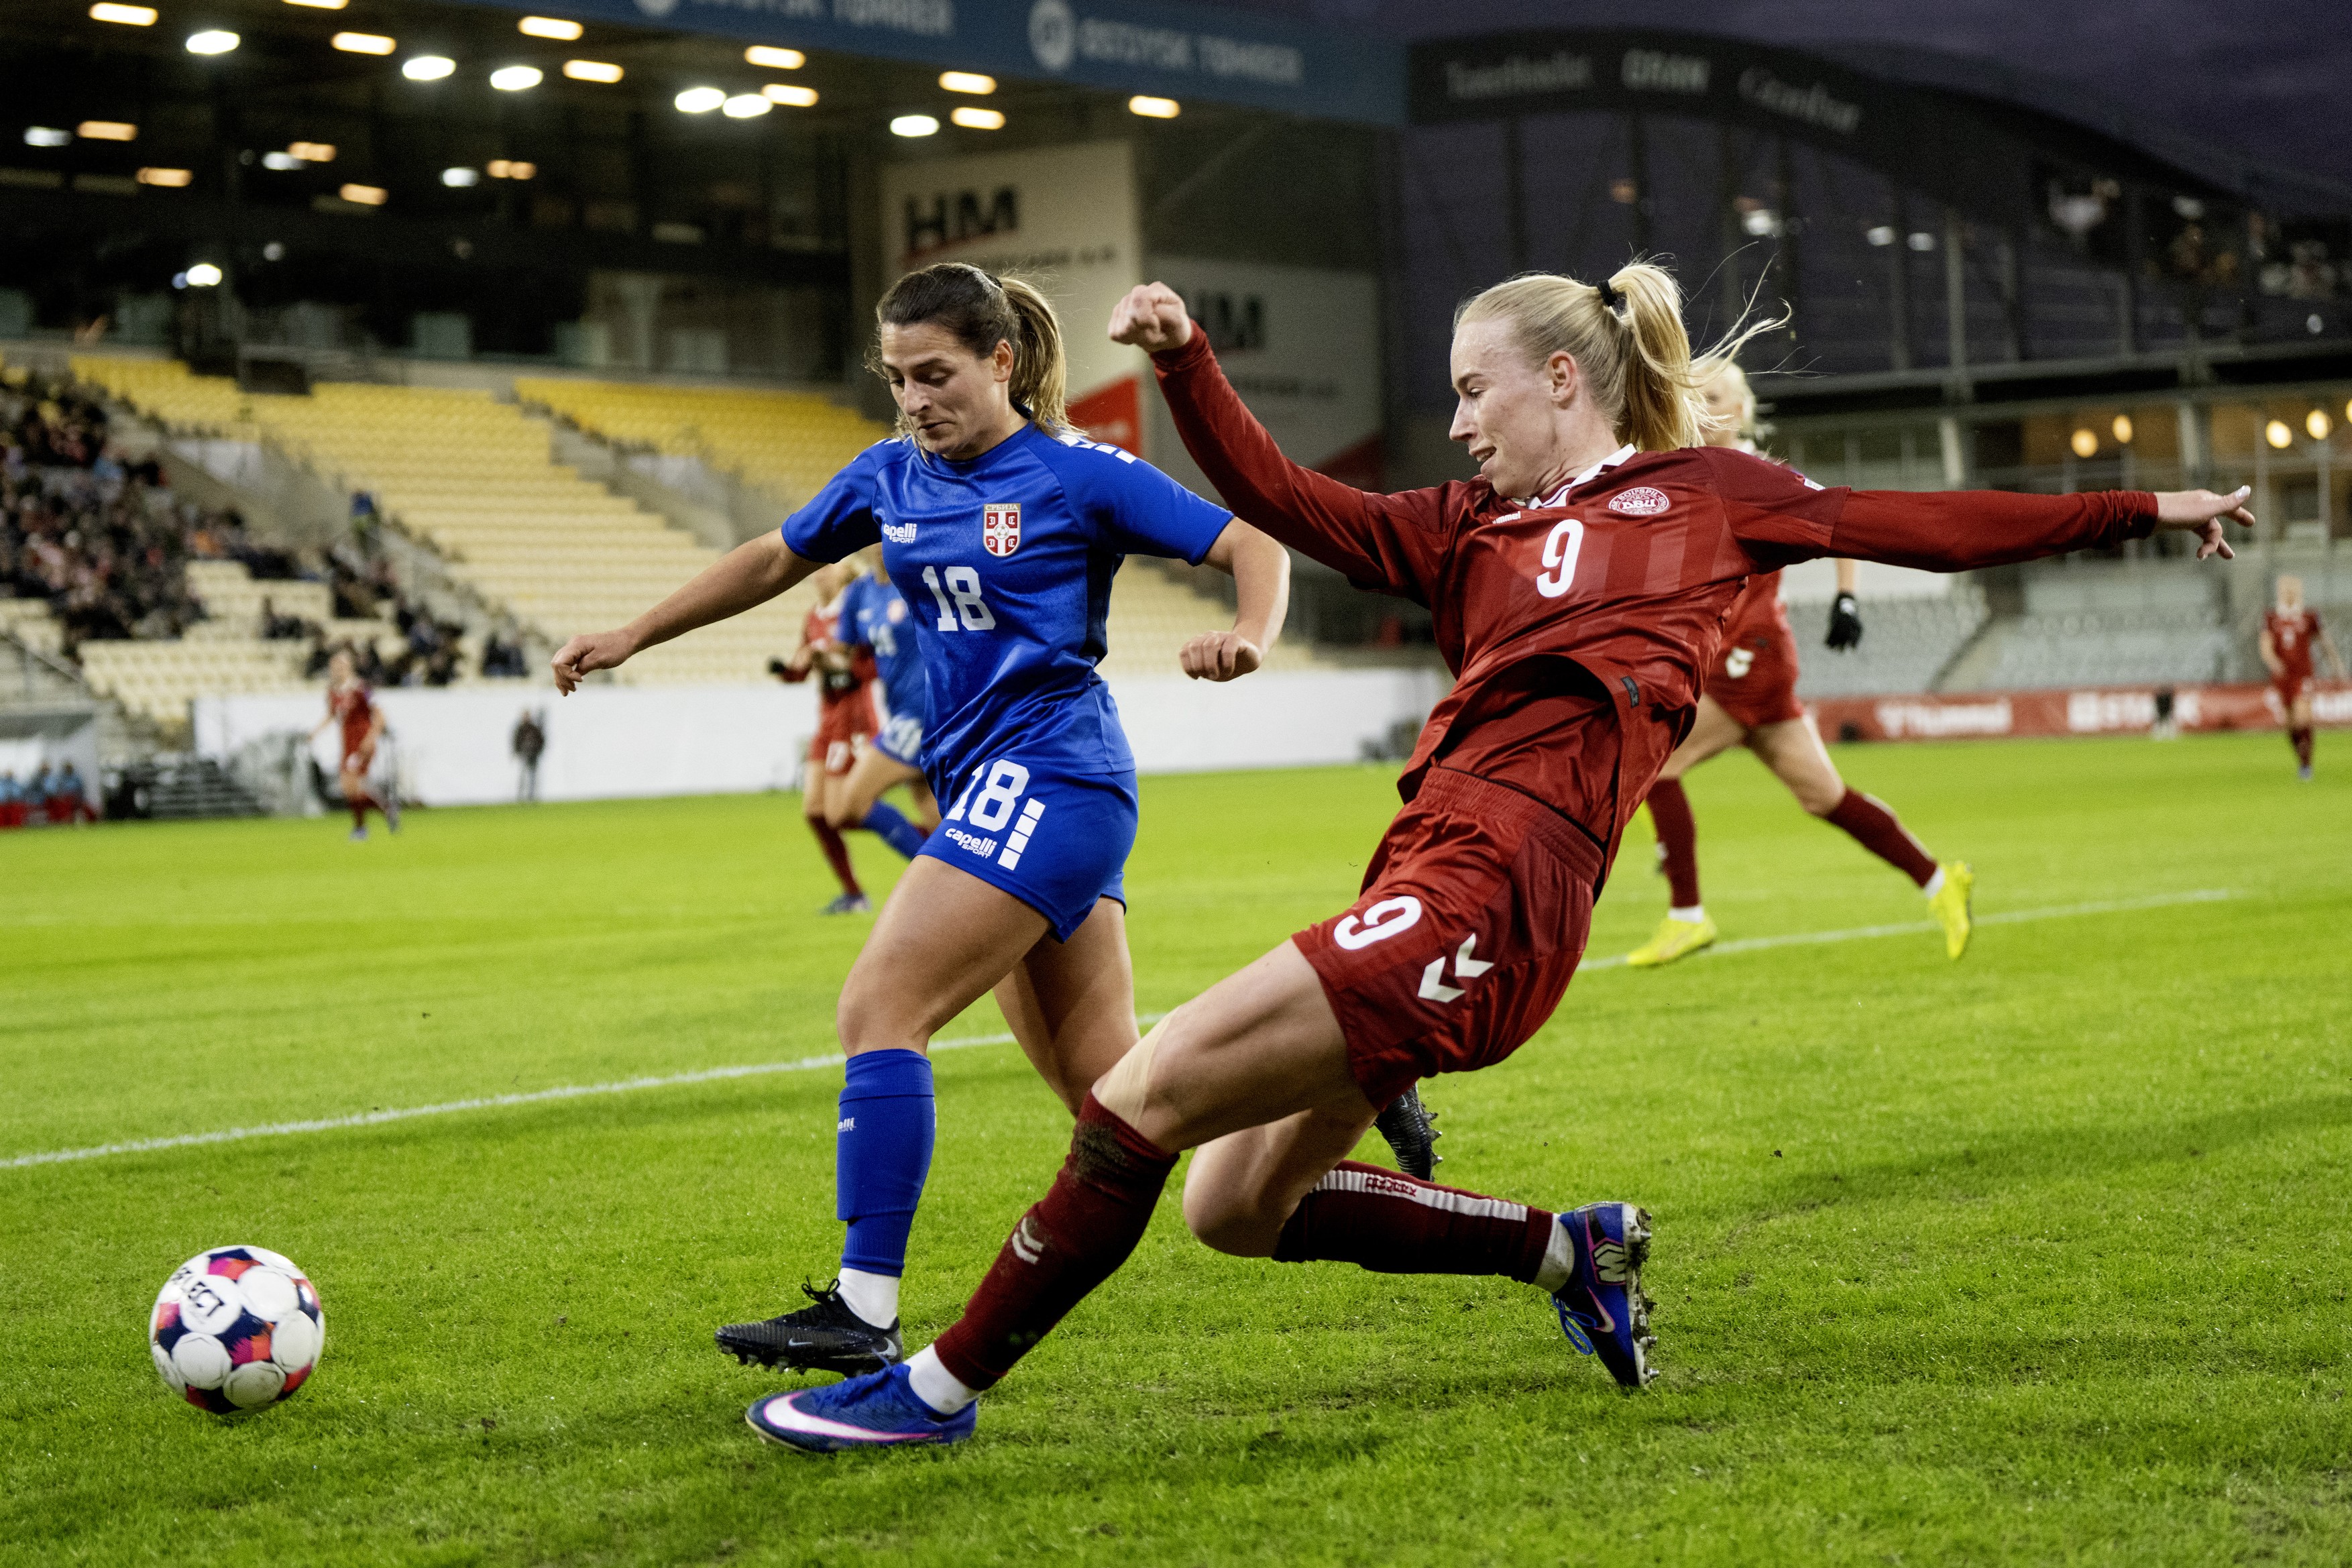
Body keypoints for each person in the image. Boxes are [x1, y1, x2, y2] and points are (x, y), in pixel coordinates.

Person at [736, 266, 2250, 1453]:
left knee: (1131, 1098)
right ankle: (1566, 1251)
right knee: (1228, 1207)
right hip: (1425, 868)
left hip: (1498, 892)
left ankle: (926, 1384)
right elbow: (1286, 504)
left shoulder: (1713, 499)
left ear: (1558, 380)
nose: (1456, 421)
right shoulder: (1468, 528)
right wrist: (1187, 361)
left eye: (1472, 391)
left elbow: (1927, 521)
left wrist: (2147, 502)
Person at [549, 260, 1307, 1385]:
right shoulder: (889, 476)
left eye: (936, 375)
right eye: (898, 379)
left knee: (879, 1001)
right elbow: (774, 555)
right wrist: (631, 634)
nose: (914, 401)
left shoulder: (1072, 473)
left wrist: (1246, 634)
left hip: (1054, 776)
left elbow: (1254, 542)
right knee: (1112, 1093)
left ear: (1001, 362)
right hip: (994, 792)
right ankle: (1335, 1083)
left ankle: (863, 1306)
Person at [1626, 361, 1971, 968]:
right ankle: (1940, 883)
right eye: (1696, 397)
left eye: (1716, 397)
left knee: (1658, 765)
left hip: (1749, 657)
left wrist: (1846, 598)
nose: (1705, 407)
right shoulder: (1686, 476)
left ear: (1740, 410)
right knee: (1825, 796)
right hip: (1738, 659)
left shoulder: (1760, 476)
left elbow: (1839, 520)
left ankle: (1687, 915)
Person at [773, 561, 885, 914]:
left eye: (828, 568)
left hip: (854, 721)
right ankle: (854, 894)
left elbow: (864, 667)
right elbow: (802, 670)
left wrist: (832, 658)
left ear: (841, 574)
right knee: (815, 813)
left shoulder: (854, 608)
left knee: (844, 813)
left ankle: (928, 845)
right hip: (827, 722)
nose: (820, 573)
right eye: (816, 569)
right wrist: (789, 670)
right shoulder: (813, 617)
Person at [826, 545, 940, 860]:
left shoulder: (918, 582)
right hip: (898, 708)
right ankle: (967, 893)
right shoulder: (859, 593)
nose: (877, 543)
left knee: (853, 803)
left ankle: (926, 882)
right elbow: (844, 655)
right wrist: (820, 657)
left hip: (926, 711)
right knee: (937, 820)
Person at [2260, 574, 2343, 780]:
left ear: (2299, 591)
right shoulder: (2272, 618)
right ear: (2279, 592)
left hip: (2303, 674)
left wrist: (2336, 665)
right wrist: (2273, 662)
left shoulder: (2309, 616)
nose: (2289, 592)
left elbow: (2324, 642)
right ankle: (2302, 756)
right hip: (2282, 677)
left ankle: (2306, 767)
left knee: (2302, 717)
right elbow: (2265, 645)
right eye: (2285, 589)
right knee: (2290, 725)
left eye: (2292, 589)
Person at [309, 649, 396, 840]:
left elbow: (380, 715)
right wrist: (314, 733)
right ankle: (386, 809)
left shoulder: (361, 688)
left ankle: (361, 829)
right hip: (347, 745)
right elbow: (332, 715)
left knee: (351, 784)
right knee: (349, 789)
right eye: (335, 666)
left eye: (342, 666)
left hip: (362, 742)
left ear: (350, 667)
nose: (338, 670)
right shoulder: (333, 692)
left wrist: (371, 738)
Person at [512, 709, 545, 803]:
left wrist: (538, 751)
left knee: (532, 777)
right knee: (523, 777)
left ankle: (531, 797)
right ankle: (520, 797)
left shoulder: (533, 728)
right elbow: (516, 741)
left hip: (533, 755)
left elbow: (540, 740)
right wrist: (517, 751)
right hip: (524, 754)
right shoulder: (521, 728)